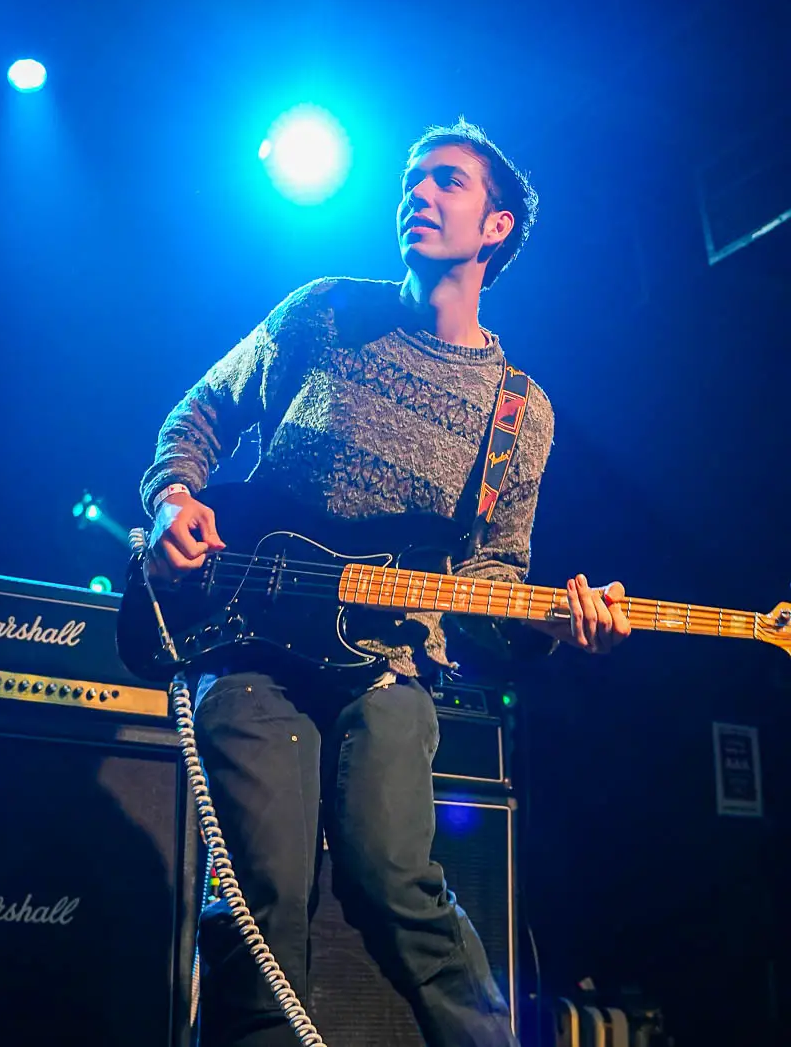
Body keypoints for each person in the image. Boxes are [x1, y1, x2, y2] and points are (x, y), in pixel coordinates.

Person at [140, 119, 631, 1047]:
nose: (418, 193)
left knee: (395, 881)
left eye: (446, 180)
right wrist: (173, 498)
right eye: (411, 179)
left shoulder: (519, 409)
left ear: (496, 226)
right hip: (251, 638)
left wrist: (549, 625)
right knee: (260, 897)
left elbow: (490, 584)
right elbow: (200, 413)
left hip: (391, 663)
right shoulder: (321, 311)